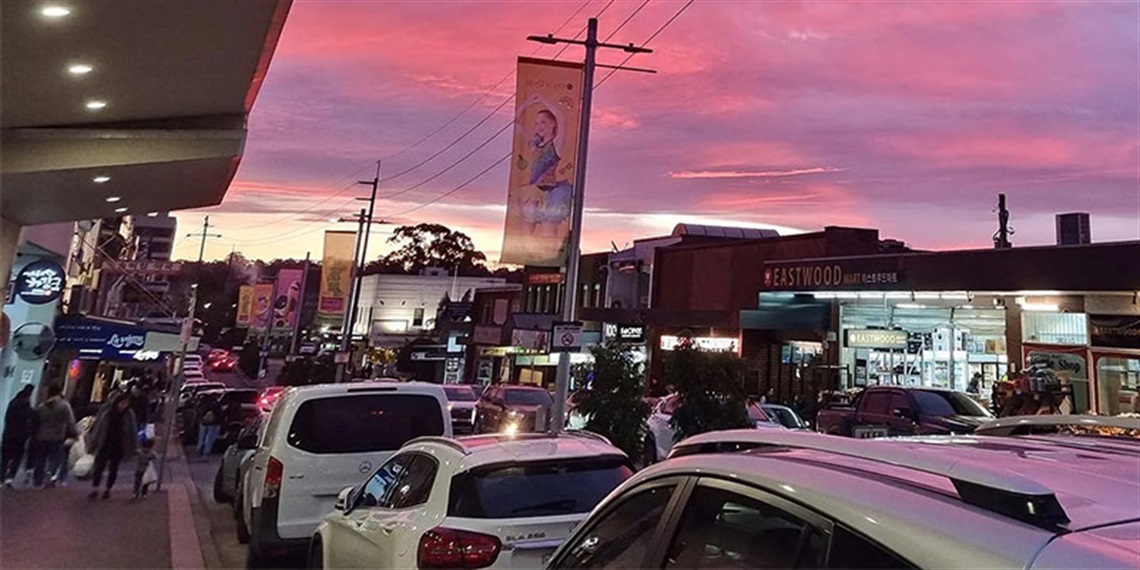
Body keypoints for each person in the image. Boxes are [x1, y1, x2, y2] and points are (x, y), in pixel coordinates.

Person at [87, 394, 138, 500]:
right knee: (99, 467)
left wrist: (134, 447)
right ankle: (95, 489)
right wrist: (93, 443)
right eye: (122, 403)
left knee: (113, 469)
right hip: (105, 443)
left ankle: (107, 489)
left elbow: (132, 431)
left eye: (126, 404)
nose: (123, 406)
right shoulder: (107, 412)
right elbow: (98, 427)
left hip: (118, 445)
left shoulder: (129, 415)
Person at [30, 385, 78, 488]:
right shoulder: (64, 405)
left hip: (41, 435)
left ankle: (37, 481)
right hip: (57, 436)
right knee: (55, 458)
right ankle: (50, 473)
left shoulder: (42, 406)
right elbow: (71, 422)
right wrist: (75, 433)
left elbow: (36, 421)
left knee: (40, 458)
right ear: (59, 392)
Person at [2, 385, 36, 487]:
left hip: (8, 434)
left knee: (5, 458)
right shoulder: (25, 406)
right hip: (19, 437)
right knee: (16, 457)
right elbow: (32, 416)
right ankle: (10, 477)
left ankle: (1, 477)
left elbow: (7, 419)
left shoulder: (12, 403)